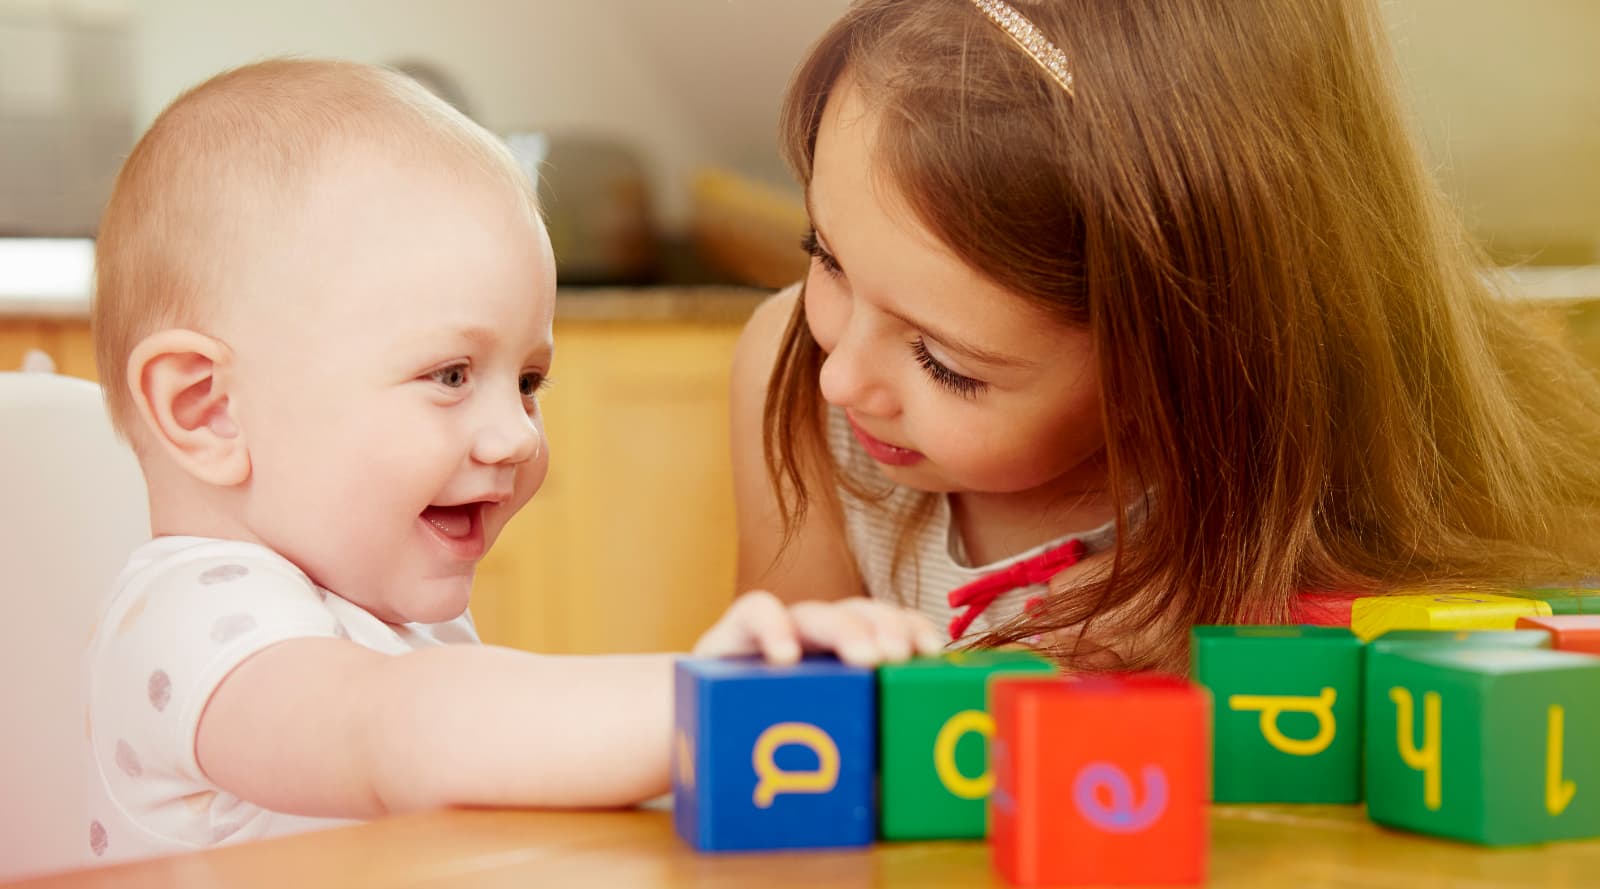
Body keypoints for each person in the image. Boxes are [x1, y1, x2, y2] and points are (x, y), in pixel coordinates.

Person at [84, 58, 944, 863]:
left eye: (528, 380)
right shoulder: (194, 619)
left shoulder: (376, 618)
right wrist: (704, 699)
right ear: (207, 408)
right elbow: (396, 733)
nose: (519, 437)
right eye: (450, 375)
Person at [731, 0, 1600, 672]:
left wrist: (1221, 651)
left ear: (1184, 358)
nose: (842, 379)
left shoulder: (1394, 476)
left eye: (944, 364)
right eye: (827, 257)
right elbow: (787, 720)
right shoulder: (796, 376)